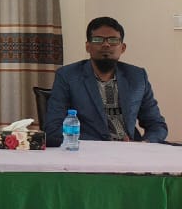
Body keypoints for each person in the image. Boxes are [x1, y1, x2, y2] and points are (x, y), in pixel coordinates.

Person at [43, 16, 167, 146]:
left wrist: (144, 144)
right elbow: (53, 129)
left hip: (130, 151)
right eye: (98, 40)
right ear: (88, 46)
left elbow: (157, 125)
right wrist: (105, 146)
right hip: (88, 152)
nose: (106, 44)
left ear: (123, 48)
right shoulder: (68, 76)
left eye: (113, 40)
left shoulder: (137, 76)